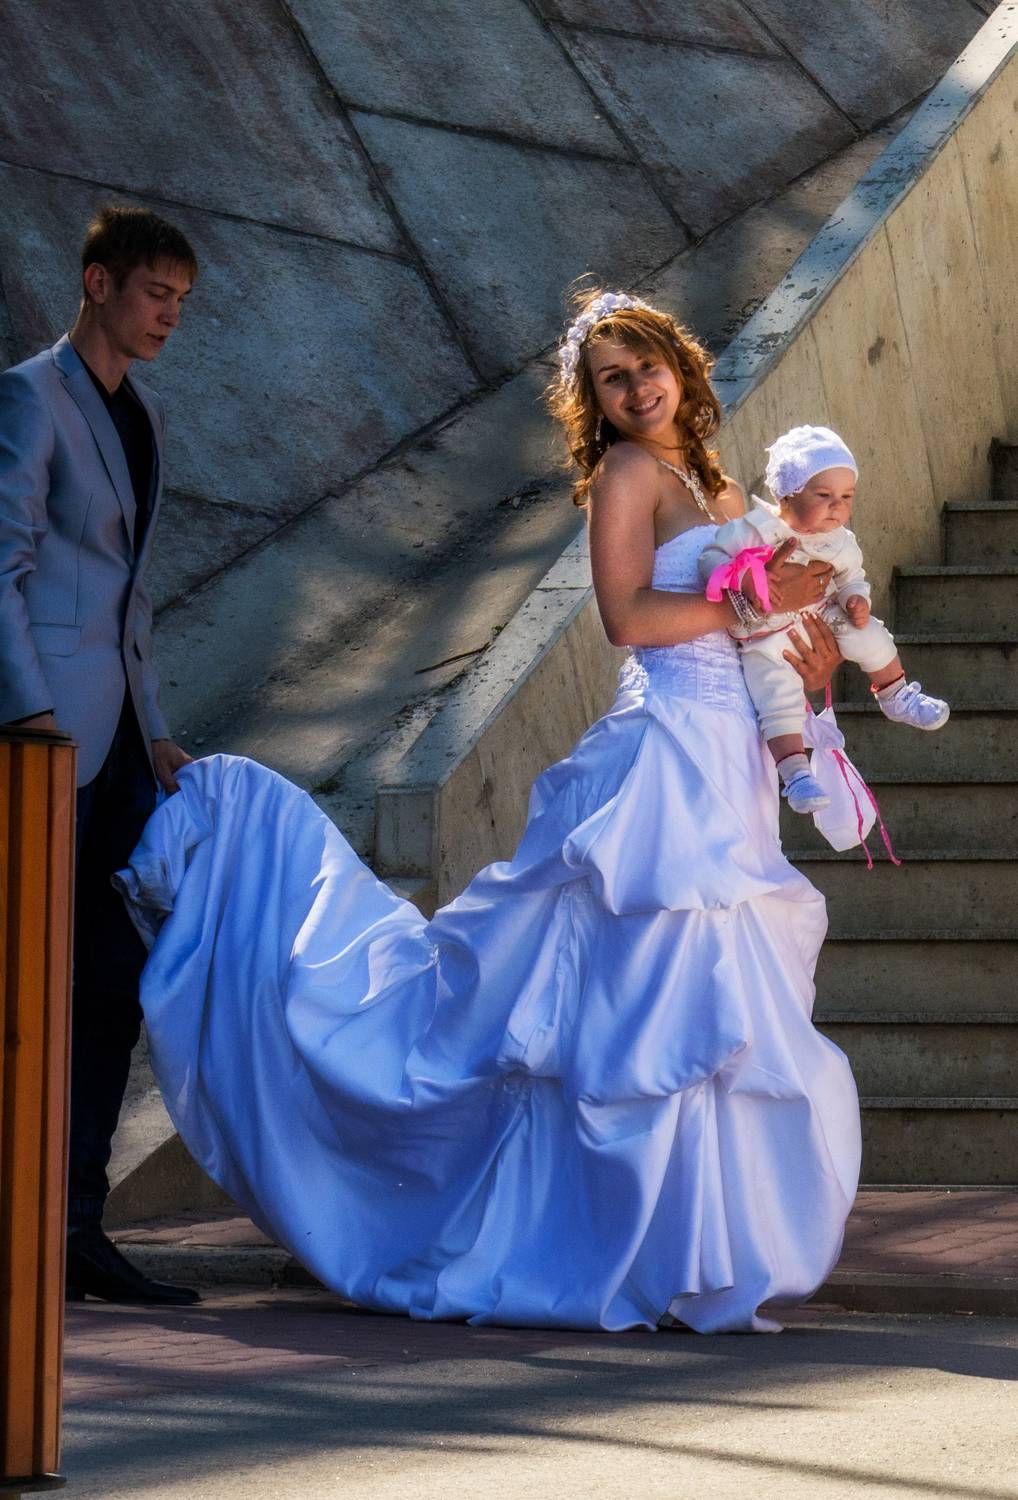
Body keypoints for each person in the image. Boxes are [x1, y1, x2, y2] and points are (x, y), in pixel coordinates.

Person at [114, 288, 860, 1333]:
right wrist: (753, 603)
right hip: (662, 760)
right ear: (595, 402)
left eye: (646, 365)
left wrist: (810, 667)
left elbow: (758, 633)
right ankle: (611, 1251)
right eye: (611, 378)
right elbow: (627, 618)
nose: (636, 387)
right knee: (641, 1010)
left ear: (681, 367)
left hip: (729, 761)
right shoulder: (628, 473)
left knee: (702, 1015)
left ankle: (683, 1256)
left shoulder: (721, 484)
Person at [0, 204, 200, 1304]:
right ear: (96, 284)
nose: (168, 315)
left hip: (121, 742)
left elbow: (128, 598)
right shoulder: (30, 398)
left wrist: (154, 723)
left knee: (114, 983)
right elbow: (3, 565)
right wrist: (29, 714)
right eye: (154, 294)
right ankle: (26, 1224)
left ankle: (77, 1224)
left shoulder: (146, 413)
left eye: (180, 301)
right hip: (44, 742)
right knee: (30, 985)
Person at [700, 425, 950, 814]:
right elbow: (711, 559)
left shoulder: (840, 541)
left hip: (823, 615)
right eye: (824, 495)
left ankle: (896, 694)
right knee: (776, 697)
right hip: (765, 635)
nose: (837, 506)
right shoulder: (756, 529)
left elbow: (852, 577)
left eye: (846, 497)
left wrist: (856, 599)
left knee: (870, 635)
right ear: (788, 493)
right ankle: (796, 772)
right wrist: (747, 579)